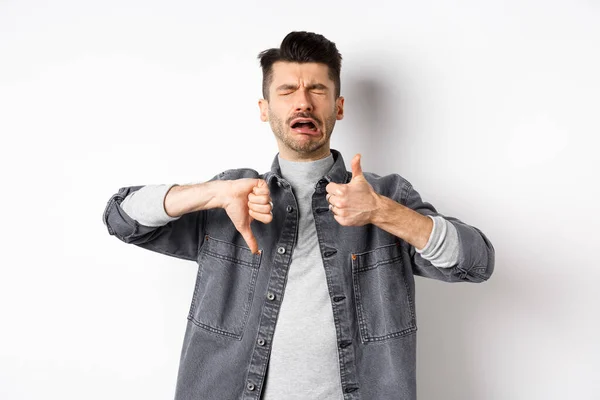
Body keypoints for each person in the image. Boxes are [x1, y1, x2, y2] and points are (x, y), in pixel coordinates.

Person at [102, 31, 495, 400]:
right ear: (265, 108)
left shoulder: (386, 195)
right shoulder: (231, 197)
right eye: (287, 90)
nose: (303, 102)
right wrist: (211, 192)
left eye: (318, 90)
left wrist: (381, 211)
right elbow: (120, 217)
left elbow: (476, 262)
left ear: (338, 107)